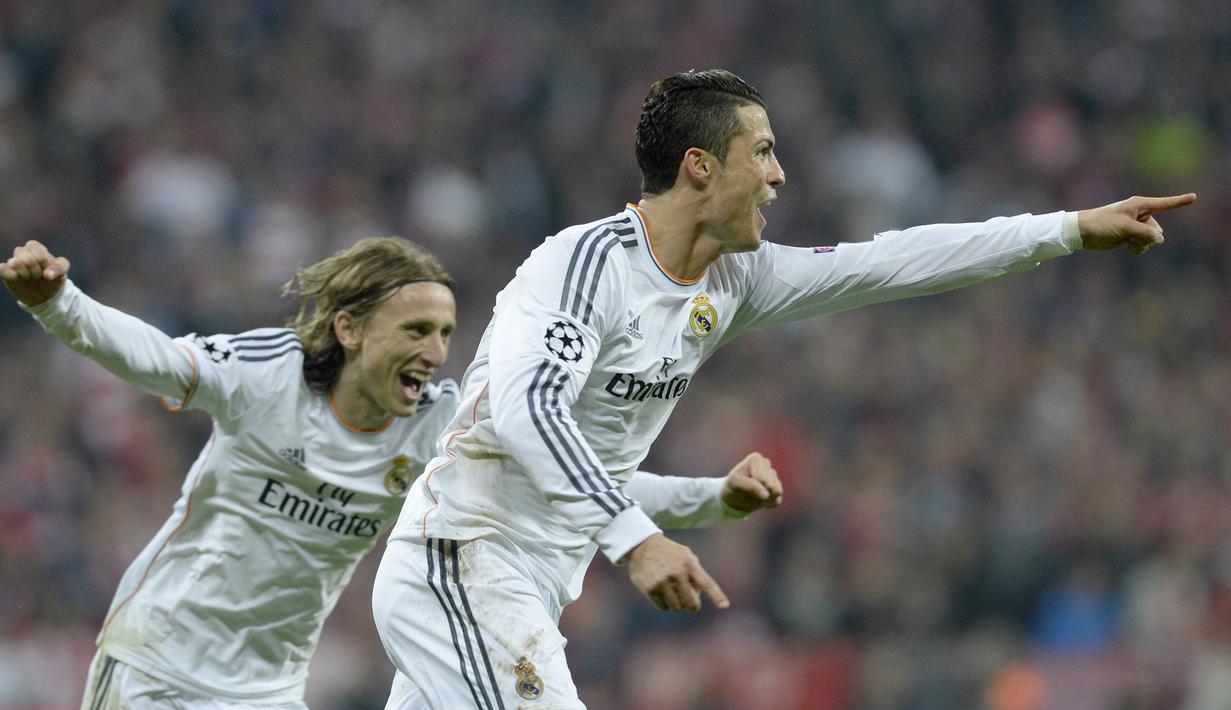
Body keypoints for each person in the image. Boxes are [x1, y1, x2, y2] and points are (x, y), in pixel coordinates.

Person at [372, 67, 1198, 709]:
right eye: (761, 151)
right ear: (699, 166)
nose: (779, 176)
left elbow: (889, 262)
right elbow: (526, 414)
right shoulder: (581, 268)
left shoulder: (734, 279)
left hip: (512, 584)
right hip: (463, 561)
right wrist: (634, 539)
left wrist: (1063, 229)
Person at [1, 235, 783, 709]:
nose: (437, 352)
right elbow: (150, 357)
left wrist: (713, 497)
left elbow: (566, 480)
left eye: (445, 332)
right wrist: (56, 302)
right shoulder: (270, 377)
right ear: (349, 327)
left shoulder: (440, 427)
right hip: (157, 666)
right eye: (415, 328)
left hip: (266, 692)